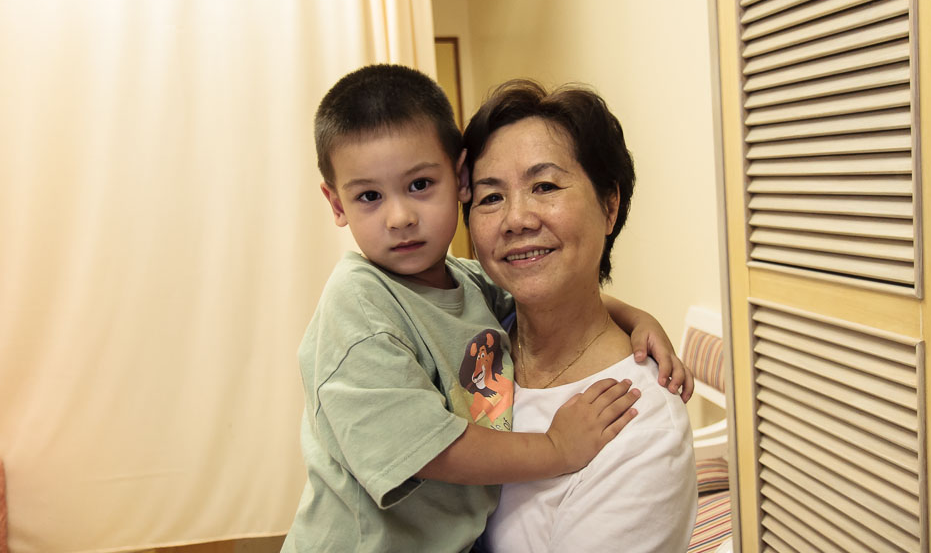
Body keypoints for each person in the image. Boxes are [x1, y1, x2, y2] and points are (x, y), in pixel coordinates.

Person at [281, 64, 692, 553]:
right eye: (493, 196)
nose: (400, 217)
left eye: (545, 186)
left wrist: (636, 318)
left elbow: (537, 294)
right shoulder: (360, 309)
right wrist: (555, 448)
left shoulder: (467, 286)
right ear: (336, 203)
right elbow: (429, 447)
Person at [463, 80, 698, 552]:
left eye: (545, 186)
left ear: (609, 207)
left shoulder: (638, 424)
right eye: (490, 197)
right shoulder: (475, 334)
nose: (516, 219)